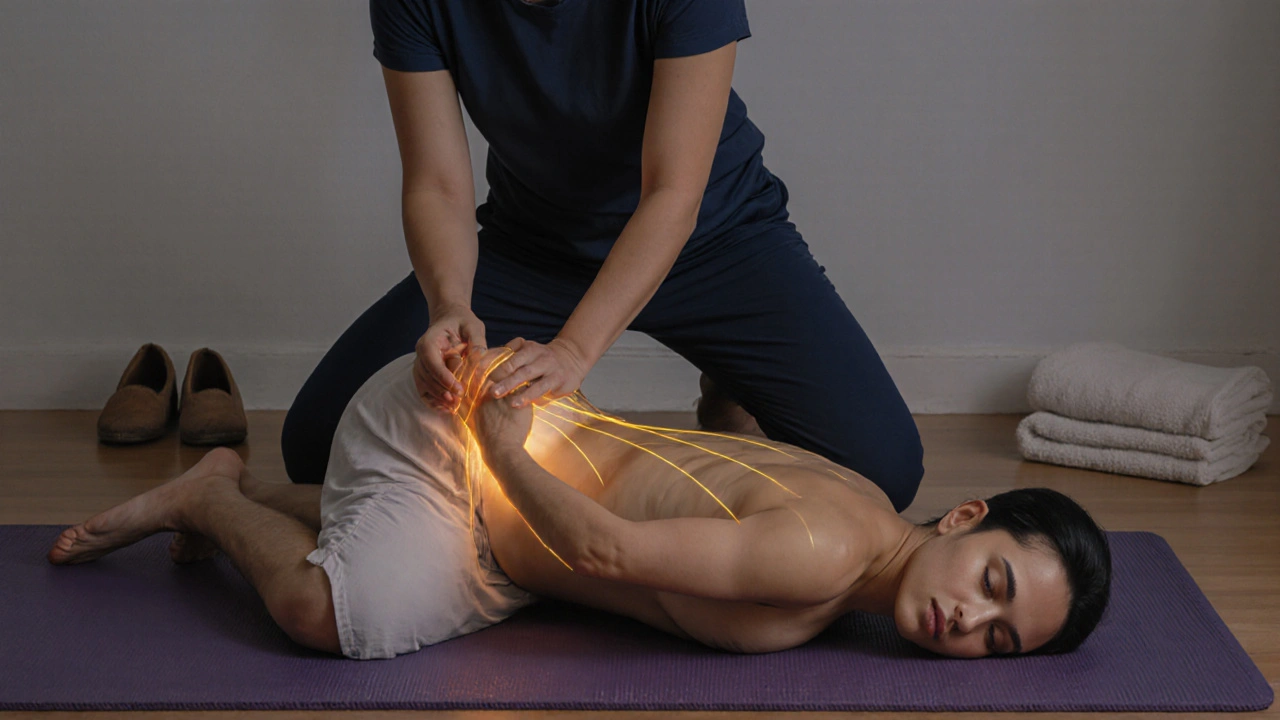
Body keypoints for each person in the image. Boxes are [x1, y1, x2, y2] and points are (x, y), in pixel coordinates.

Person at [49, 346, 1111, 660]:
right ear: (965, 519)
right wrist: (500, 447)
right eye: (994, 585)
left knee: (376, 539)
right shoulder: (829, 556)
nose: (969, 622)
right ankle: (207, 498)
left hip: (509, 506)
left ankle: (283, 498)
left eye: (1000, 641)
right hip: (474, 446)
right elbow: (602, 554)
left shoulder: (868, 505)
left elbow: (719, 474)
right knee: (320, 616)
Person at [279, 0, 926, 514]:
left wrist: (573, 351)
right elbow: (438, 184)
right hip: (535, 247)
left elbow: (672, 194)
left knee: (881, 472)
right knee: (316, 446)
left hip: (716, 239)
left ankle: (735, 386)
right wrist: (450, 303)